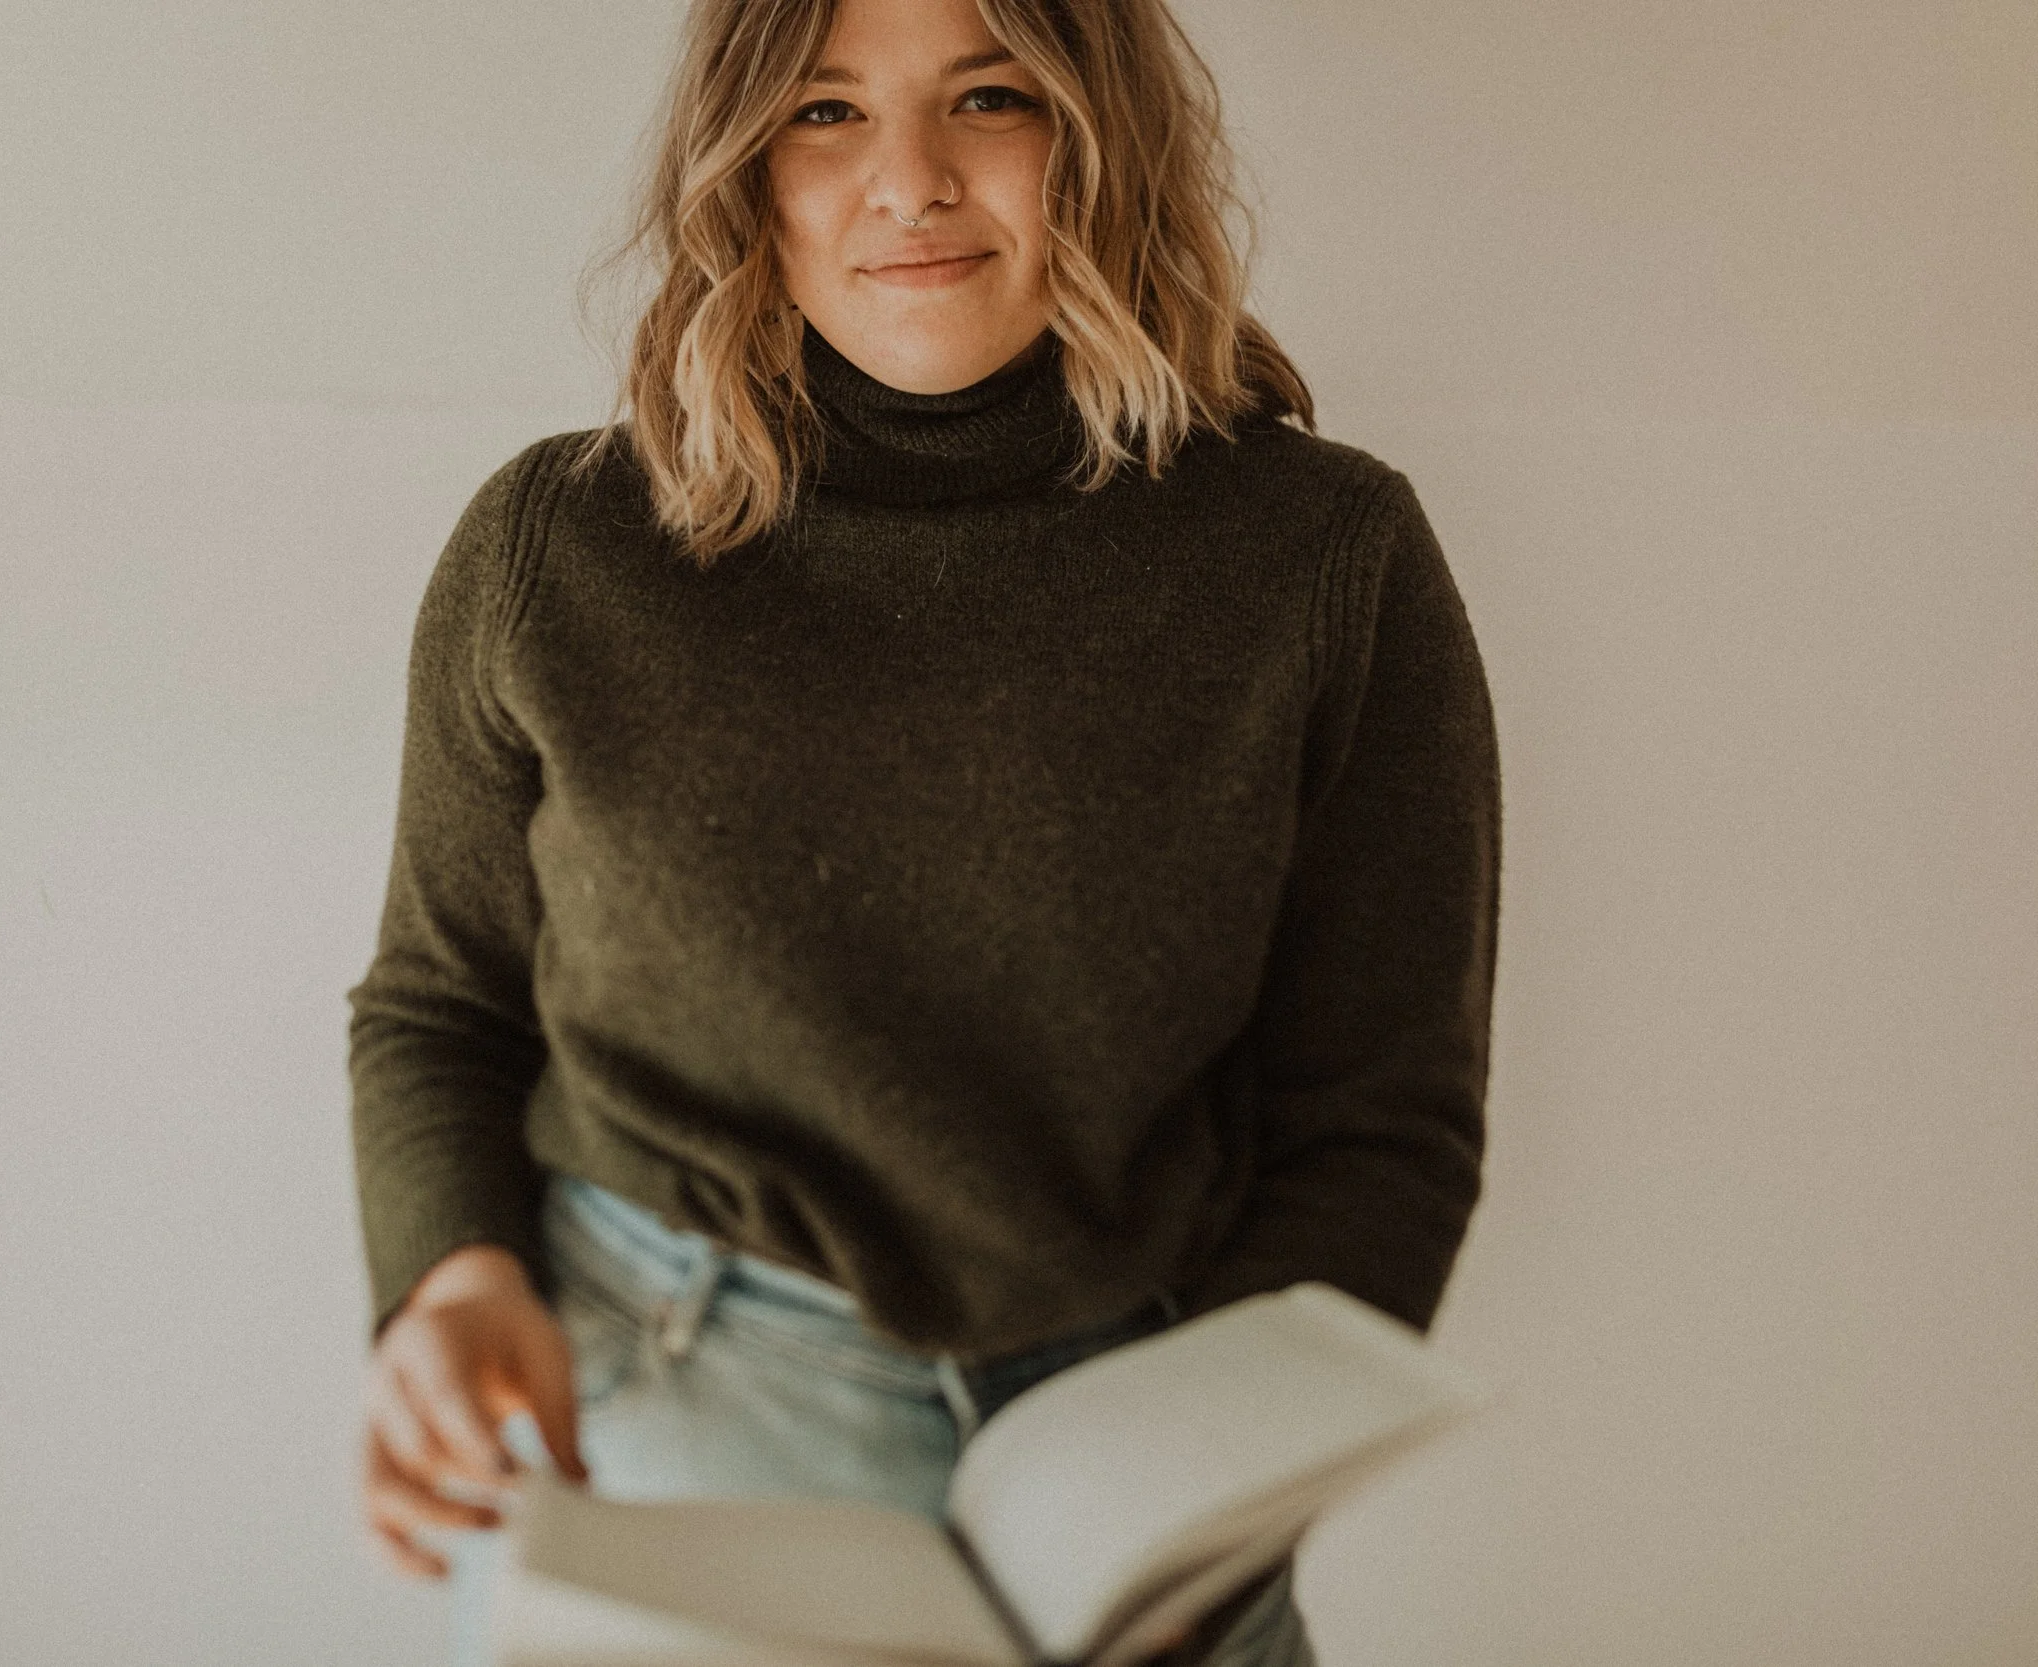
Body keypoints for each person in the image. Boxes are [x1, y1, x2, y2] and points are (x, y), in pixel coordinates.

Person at [346, 0, 1502, 1664]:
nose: (912, 181)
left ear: (1102, 135)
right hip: (679, 1403)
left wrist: (1209, 1496)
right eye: (826, 113)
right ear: (743, 168)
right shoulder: (561, 547)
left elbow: (1381, 1123)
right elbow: (439, 1004)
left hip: (1143, 1430)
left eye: (991, 97)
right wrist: (452, 1282)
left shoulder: (1326, 557)